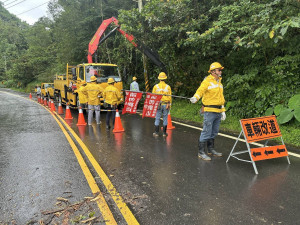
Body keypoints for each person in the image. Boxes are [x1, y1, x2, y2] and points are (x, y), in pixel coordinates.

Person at [190, 62, 226, 161]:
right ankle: (201, 152)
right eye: (219, 70)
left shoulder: (219, 83)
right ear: (213, 71)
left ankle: (211, 149)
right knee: (206, 131)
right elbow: (200, 90)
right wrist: (195, 98)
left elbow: (221, 98)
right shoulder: (207, 81)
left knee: (214, 132)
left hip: (218, 111)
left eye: (220, 70)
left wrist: (223, 110)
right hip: (209, 111)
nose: (220, 71)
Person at [152, 72, 172, 137]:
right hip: (166, 104)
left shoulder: (155, 86)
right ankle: (164, 133)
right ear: (165, 78)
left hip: (158, 104)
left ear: (159, 78)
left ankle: (156, 133)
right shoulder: (168, 87)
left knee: (157, 117)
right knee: (165, 118)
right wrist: (169, 105)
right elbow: (170, 97)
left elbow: (153, 96)